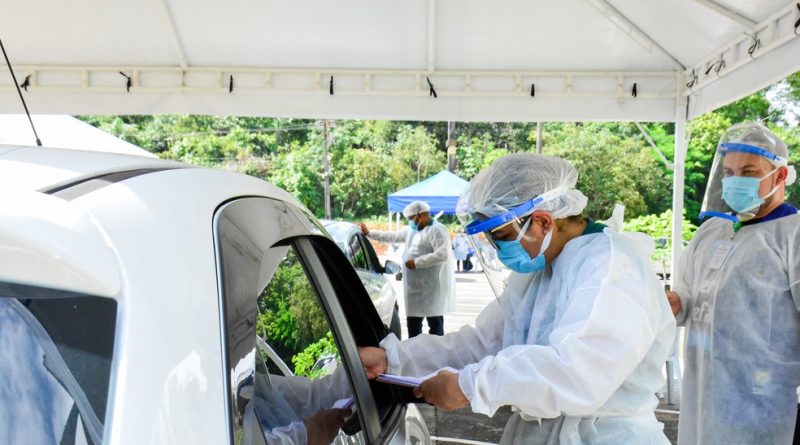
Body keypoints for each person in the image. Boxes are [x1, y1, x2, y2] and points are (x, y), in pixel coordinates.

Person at [359, 153, 676, 444]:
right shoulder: (540, 271)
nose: (498, 249)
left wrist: (471, 386)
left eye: (501, 236)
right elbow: (483, 344)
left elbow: (578, 373)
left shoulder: (611, 270)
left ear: (542, 221)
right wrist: (393, 358)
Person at [666, 122, 800, 444]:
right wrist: (677, 302)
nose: (735, 181)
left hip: (765, 405)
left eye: (749, 171)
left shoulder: (792, 235)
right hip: (702, 398)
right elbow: (688, 293)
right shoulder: (711, 231)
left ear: (780, 176)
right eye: (728, 172)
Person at [359, 201, 455, 337]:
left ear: (419, 216)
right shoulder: (411, 230)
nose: (410, 222)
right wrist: (369, 233)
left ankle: (436, 355)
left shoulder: (437, 230)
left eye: (411, 218)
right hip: (414, 288)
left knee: (435, 326)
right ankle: (415, 354)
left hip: (431, 287)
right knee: (414, 327)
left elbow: (442, 254)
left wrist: (417, 263)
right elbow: (392, 236)